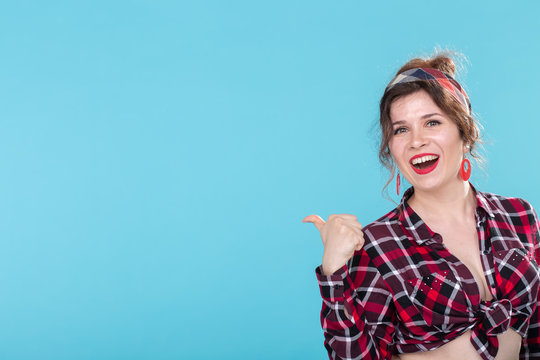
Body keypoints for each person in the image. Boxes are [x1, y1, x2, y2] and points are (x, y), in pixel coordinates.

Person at [303, 52, 540, 360]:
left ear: (464, 132)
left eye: (431, 122)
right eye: (401, 129)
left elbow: (534, 331)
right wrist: (334, 272)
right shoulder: (374, 246)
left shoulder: (518, 215)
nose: (416, 141)